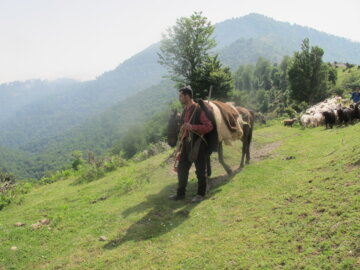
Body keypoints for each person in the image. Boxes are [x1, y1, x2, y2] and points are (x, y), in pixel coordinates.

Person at [169, 86, 213, 203]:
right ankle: (180, 193)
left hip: (198, 144)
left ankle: (200, 194)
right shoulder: (185, 110)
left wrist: (193, 127)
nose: (179, 98)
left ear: (187, 96)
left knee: (200, 170)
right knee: (182, 168)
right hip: (186, 144)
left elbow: (209, 126)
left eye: (181, 96)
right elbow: (184, 126)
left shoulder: (199, 109)